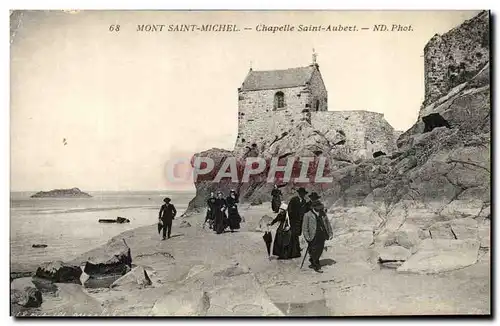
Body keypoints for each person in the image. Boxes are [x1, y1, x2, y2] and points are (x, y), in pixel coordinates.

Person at [302, 192, 333, 273]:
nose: (319, 208)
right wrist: (307, 237)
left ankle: (313, 260)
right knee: (314, 249)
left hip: (321, 234)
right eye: (318, 207)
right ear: (313, 207)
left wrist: (330, 233)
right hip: (313, 235)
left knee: (320, 249)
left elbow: (327, 223)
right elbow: (305, 228)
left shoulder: (322, 213)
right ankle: (316, 265)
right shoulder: (307, 215)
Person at [287, 187, 309, 258]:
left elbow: (306, 210)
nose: (303, 195)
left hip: (300, 222)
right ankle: (294, 251)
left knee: (296, 235)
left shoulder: (304, 201)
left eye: (304, 194)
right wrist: (291, 218)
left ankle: (295, 249)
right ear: (299, 193)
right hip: (293, 221)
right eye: (302, 193)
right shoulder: (294, 200)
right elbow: (289, 209)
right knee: (294, 235)